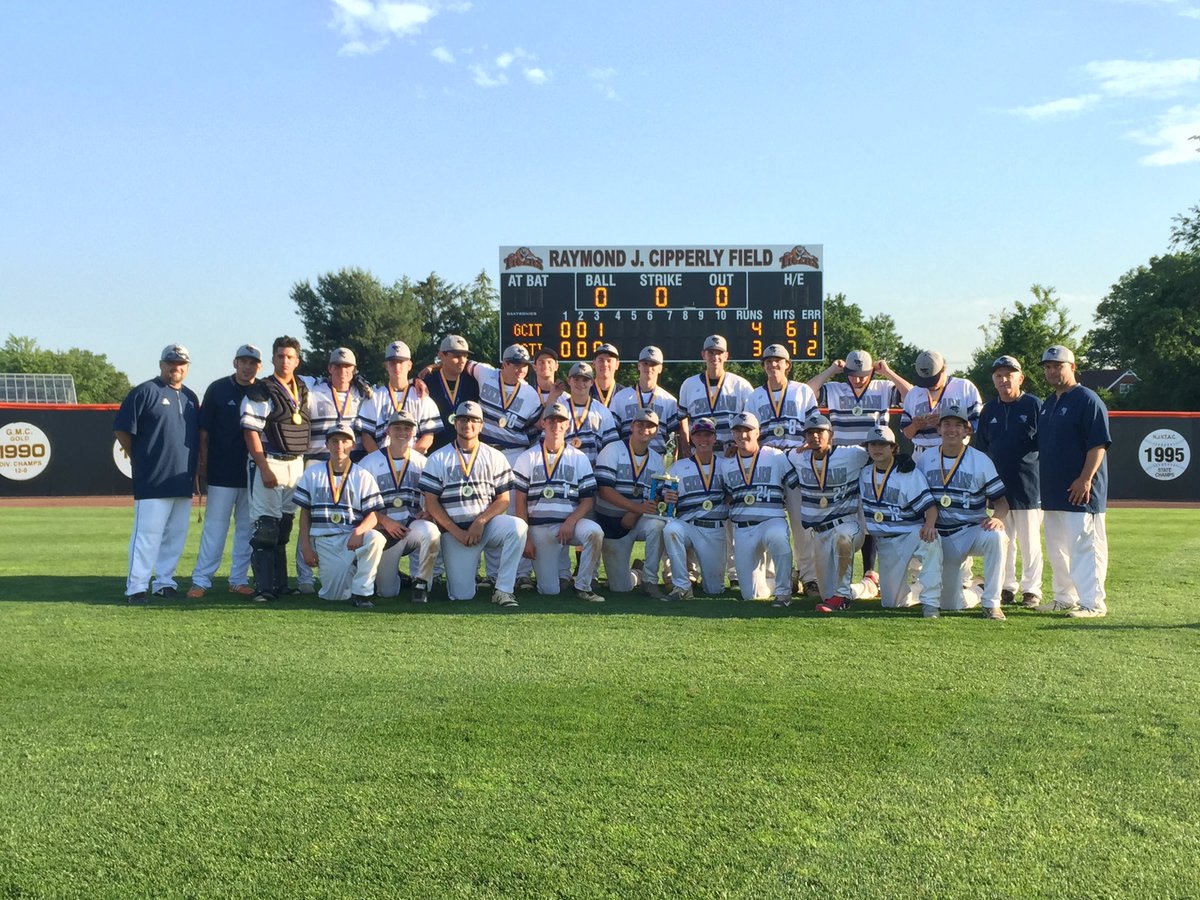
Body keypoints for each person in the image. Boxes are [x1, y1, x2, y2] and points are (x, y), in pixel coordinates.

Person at [809, 349, 913, 600]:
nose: (857, 379)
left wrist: (888, 372)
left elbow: (912, 396)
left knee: (872, 513)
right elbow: (805, 393)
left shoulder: (883, 387)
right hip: (843, 462)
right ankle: (839, 573)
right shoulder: (835, 388)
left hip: (873, 459)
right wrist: (830, 371)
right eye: (853, 374)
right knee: (845, 516)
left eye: (863, 375)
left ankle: (870, 572)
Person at [113, 343, 200, 604]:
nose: (176, 367)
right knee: (147, 536)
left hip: (182, 478)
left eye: (181, 363)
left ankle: (164, 582)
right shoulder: (145, 391)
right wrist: (139, 457)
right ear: (162, 364)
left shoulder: (190, 397)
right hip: (153, 478)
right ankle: (136, 587)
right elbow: (122, 429)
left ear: (187, 367)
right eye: (171, 362)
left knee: (175, 536)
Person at [419, 401, 527, 607]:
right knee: (462, 595)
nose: (467, 424)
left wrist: (481, 521)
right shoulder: (438, 457)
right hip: (455, 532)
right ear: (455, 423)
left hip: (487, 526)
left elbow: (503, 499)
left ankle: (504, 590)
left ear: (481, 425)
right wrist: (456, 532)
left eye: (473, 420)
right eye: (462, 419)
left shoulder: (495, 456)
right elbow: (431, 503)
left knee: (518, 527)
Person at [1037, 344, 1111, 618]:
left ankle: (1093, 603)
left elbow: (1098, 444)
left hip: (1081, 491)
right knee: (1057, 549)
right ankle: (1064, 597)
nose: (1052, 371)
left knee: (1085, 547)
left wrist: (1085, 478)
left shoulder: (1087, 399)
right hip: (1053, 491)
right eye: (1048, 366)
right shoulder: (1049, 403)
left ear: (1072, 367)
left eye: (1058, 366)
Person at [918, 402, 1009, 619]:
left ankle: (991, 603)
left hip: (971, 530)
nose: (952, 429)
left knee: (997, 537)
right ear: (938, 429)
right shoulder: (925, 459)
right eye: (947, 424)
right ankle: (978, 590)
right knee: (951, 604)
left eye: (958, 425)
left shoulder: (980, 460)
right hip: (940, 536)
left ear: (967, 430)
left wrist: (997, 517)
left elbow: (1001, 502)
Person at [240, 335, 312, 602]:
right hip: (269, 460)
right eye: (280, 356)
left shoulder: (303, 387)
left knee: (284, 526)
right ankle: (263, 588)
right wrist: (263, 467)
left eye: (290, 357)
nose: (285, 361)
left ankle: (280, 584)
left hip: (295, 462)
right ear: (272, 359)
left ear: (297, 361)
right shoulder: (261, 390)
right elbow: (250, 432)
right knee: (266, 527)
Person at [187, 344, 261, 599]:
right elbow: (204, 432)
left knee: (246, 530)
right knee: (215, 529)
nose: (247, 367)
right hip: (221, 470)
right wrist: (203, 464)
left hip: (251, 472)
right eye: (243, 361)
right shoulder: (218, 388)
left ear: (259, 366)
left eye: (252, 363)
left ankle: (238, 579)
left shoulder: (262, 390)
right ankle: (201, 580)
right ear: (235, 363)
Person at [513, 402, 606, 602]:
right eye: (551, 421)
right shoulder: (527, 457)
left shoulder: (579, 458)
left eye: (561, 421)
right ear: (543, 423)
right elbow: (520, 502)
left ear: (567, 425)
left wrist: (571, 521)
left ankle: (583, 586)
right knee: (549, 591)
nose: (556, 425)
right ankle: (558, 576)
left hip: (570, 524)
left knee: (595, 532)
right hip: (540, 528)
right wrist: (525, 537)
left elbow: (587, 500)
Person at [747, 343, 820, 596]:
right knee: (768, 520)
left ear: (787, 364)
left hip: (797, 460)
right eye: (768, 361)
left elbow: (815, 423)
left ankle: (809, 576)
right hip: (767, 463)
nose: (773, 364)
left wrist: (809, 442)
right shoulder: (755, 396)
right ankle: (774, 576)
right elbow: (751, 432)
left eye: (778, 360)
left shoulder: (802, 391)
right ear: (763, 366)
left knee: (801, 524)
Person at [297, 347, 372, 593]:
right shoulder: (314, 390)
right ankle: (305, 576)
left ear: (354, 370)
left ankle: (349, 567)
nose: (342, 371)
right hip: (317, 460)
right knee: (309, 516)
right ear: (329, 368)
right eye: (337, 366)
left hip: (349, 462)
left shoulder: (363, 394)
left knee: (349, 518)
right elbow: (292, 378)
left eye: (347, 367)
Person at [972, 355, 1043, 609]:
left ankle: (1032, 590)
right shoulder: (989, 410)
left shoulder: (1033, 404)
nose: (1004, 380)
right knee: (1004, 540)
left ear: (1020, 378)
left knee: (1029, 542)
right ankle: (1006, 587)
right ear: (994, 380)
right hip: (998, 487)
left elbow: (1045, 444)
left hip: (1028, 485)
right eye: (999, 375)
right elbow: (981, 449)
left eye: (1009, 375)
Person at [786, 414, 873, 613]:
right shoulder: (798, 456)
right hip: (820, 532)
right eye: (810, 433)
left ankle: (842, 598)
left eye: (820, 432)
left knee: (843, 536)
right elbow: (774, 456)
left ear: (831, 435)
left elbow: (879, 451)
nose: (815, 436)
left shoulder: (851, 454)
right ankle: (866, 587)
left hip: (848, 523)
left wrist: (900, 458)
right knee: (826, 593)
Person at [295, 423, 385, 609]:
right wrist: (306, 546)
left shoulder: (363, 475)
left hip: (351, 537)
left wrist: (359, 531)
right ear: (327, 444)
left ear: (353, 445)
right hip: (325, 540)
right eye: (334, 441)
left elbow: (373, 516)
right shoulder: (312, 473)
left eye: (345, 441)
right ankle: (354, 570)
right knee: (334, 597)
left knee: (376, 538)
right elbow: (305, 514)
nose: (339, 446)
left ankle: (362, 592)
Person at [859, 425, 943, 617]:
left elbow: (930, 506)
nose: (877, 449)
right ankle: (924, 590)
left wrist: (929, 524)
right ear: (867, 448)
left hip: (911, 533)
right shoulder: (864, 473)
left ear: (893, 447)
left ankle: (930, 603)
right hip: (886, 542)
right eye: (873, 444)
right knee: (892, 603)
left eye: (883, 444)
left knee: (931, 540)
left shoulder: (908, 473)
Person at [359, 410, 440, 603]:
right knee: (387, 592)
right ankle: (396, 577)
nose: (402, 432)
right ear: (387, 431)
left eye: (407, 428)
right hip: (382, 531)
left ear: (414, 432)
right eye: (397, 428)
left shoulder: (423, 462)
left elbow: (434, 495)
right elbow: (359, 504)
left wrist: (429, 512)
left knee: (431, 532)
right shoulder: (369, 462)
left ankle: (421, 583)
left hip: (411, 527)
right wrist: (384, 521)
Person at [718, 411, 793, 605]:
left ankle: (784, 592)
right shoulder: (727, 465)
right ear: (732, 434)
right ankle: (776, 581)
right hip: (743, 528)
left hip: (771, 520)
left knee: (778, 537)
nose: (742, 435)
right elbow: (728, 495)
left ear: (758, 432)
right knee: (752, 595)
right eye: (738, 431)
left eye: (748, 430)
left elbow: (793, 484)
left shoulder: (775, 456)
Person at [594, 408, 667, 598]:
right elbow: (604, 490)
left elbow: (656, 495)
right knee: (620, 588)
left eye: (650, 426)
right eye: (640, 424)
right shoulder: (612, 449)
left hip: (638, 518)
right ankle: (637, 573)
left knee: (658, 525)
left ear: (656, 431)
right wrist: (635, 507)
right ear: (632, 426)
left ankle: (650, 580)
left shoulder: (656, 459)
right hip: (611, 523)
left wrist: (635, 512)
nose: (645, 429)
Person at [662, 417, 729, 600]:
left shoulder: (725, 466)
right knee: (671, 529)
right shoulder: (678, 466)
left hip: (714, 529)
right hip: (688, 525)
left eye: (707, 435)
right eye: (698, 435)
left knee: (714, 590)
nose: (703, 439)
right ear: (692, 438)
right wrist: (667, 497)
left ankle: (702, 581)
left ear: (715, 438)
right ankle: (682, 586)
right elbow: (664, 496)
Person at [356, 340, 442, 455]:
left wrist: (410, 459)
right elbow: (366, 436)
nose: (397, 366)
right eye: (392, 363)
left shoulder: (421, 396)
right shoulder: (375, 397)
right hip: (382, 460)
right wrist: (381, 459)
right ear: (386, 366)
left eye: (401, 362)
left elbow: (428, 436)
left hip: (412, 460)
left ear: (409, 365)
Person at [677, 335, 753, 454]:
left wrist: (738, 446)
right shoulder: (689, 384)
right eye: (711, 353)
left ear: (726, 356)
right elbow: (682, 418)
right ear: (703, 355)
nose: (715, 357)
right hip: (699, 452)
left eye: (719, 353)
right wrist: (685, 446)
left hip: (731, 453)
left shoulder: (740, 385)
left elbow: (751, 420)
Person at [901, 350, 983, 457]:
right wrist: (914, 426)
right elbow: (906, 434)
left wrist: (946, 422)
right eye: (924, 380)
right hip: (921, 454)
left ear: (943, 369)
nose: (929, 385)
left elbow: (978, 424)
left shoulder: (964, 387)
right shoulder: (913, 393)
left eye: (933, 379)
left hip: (956, 452)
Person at [611, 346, 688, 458]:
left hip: (658, 459)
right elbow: (613, 435)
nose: (649, 368)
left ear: (660, 368)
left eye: (653, 364)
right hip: (626, 458)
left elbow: (673, 439)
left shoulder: (669, 401)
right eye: (645, 363)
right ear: (639, 366)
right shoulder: (620, 397)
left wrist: (671, 463)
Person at [419, 334, 482, 452]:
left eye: (465, 356)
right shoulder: (426, 382)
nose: (462, 361)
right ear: (442, 355)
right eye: (456, 356)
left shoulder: (473, 382)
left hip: (467, 452)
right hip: (435, 451)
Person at [560, 361, 620, 465]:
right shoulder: (560, 410)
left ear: (592, 382)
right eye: (576, 379)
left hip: (594, 470)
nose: (580, 384)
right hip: (565, 468)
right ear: (569, 381)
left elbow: (611, 448)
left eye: (585, 380)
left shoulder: (602, 411)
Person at [590, 343, 622, 409]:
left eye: (609, 360)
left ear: (617, 365)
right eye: (601, 360)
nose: (605, 364)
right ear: (594, 364)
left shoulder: (624, 394)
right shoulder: (584, 393)